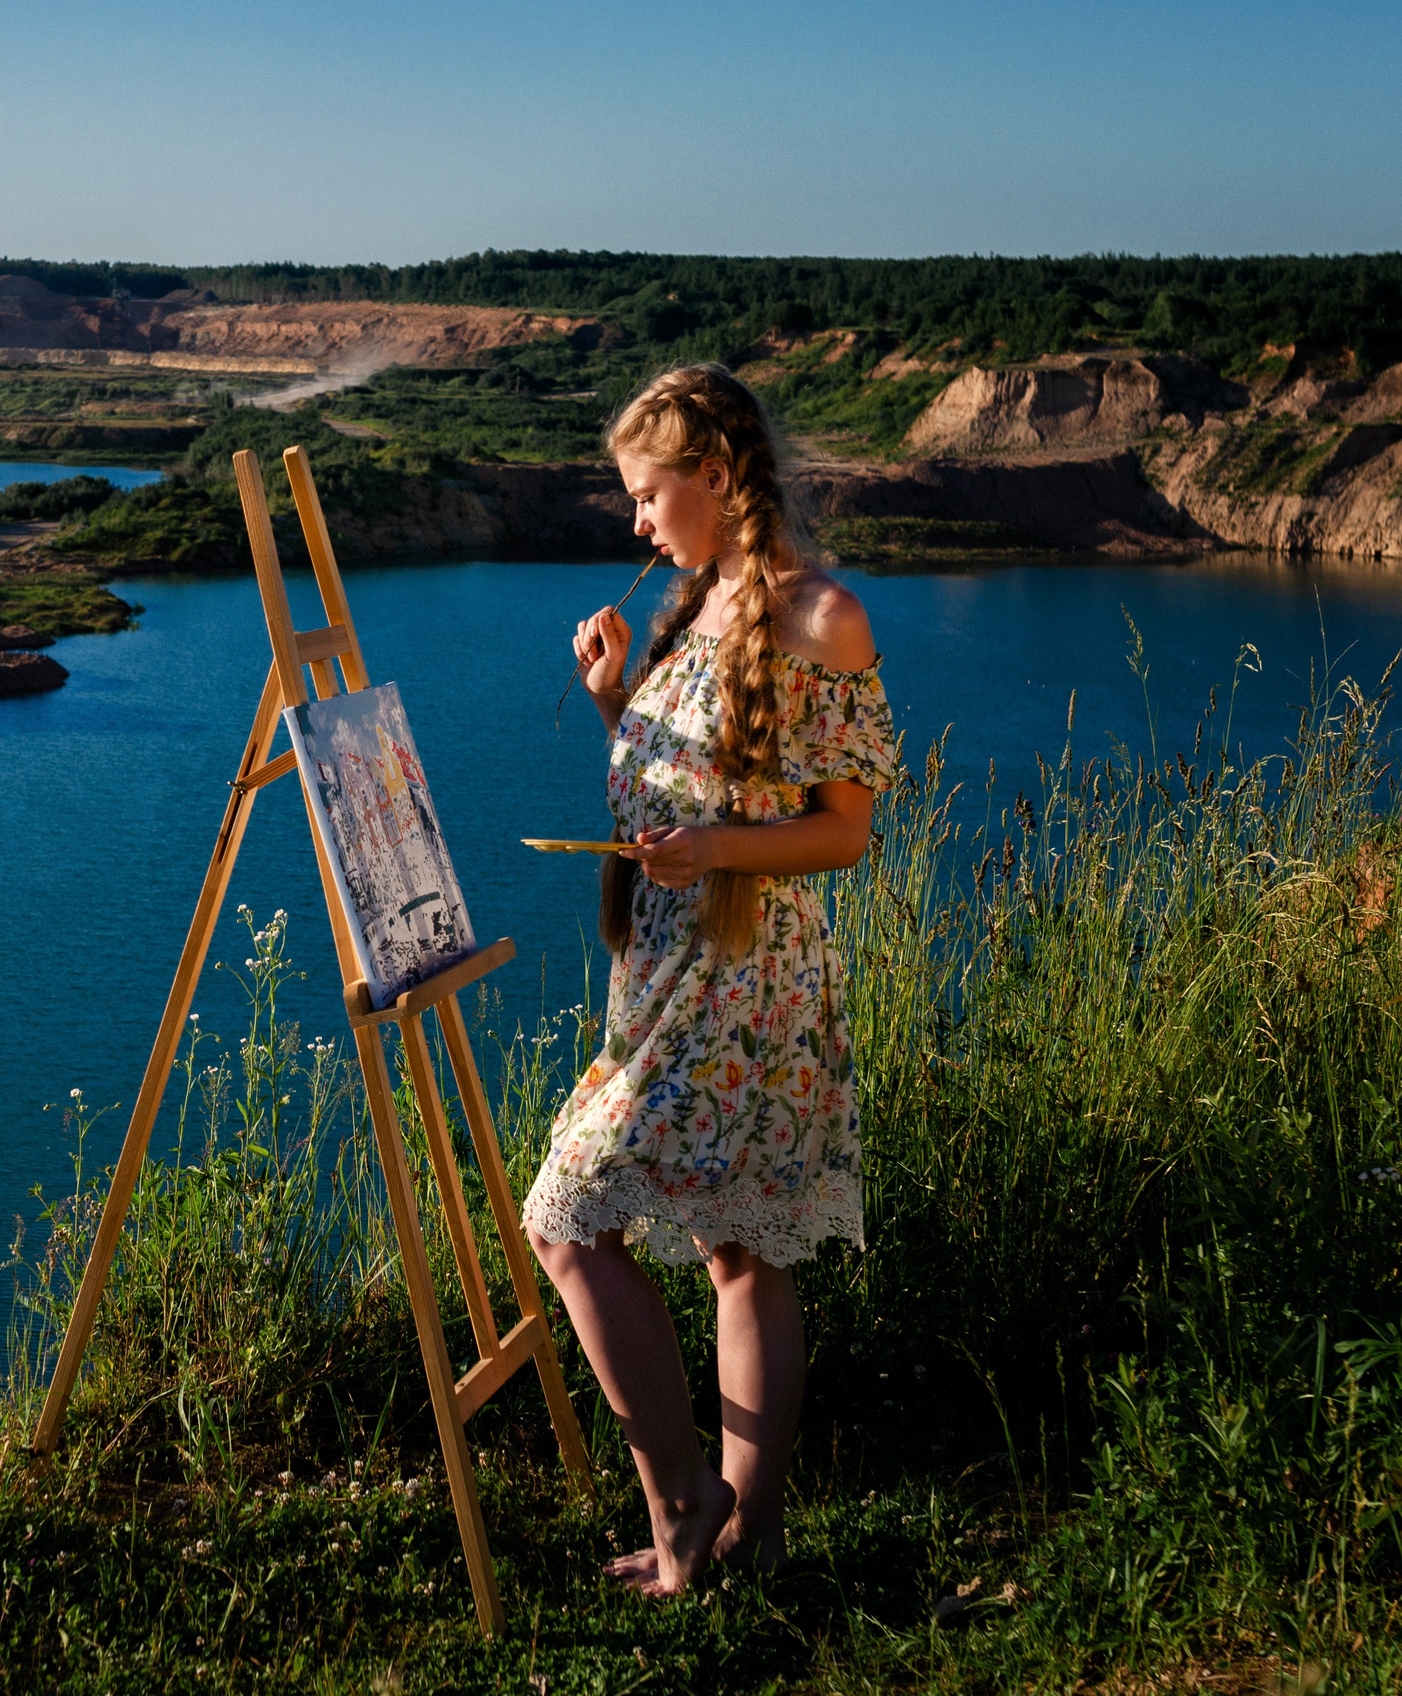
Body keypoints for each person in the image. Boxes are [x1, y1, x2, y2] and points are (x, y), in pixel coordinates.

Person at [521, 363, 900, 1597]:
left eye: (647, 492)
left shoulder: (820, 616)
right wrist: (613, 702)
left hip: (744, 983)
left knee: (566, 1218)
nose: (635, 521)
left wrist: (717, 850)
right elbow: (685, 794)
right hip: (667, 975)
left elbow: (842, 832)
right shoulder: (693, 607)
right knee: (739, 1250)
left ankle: (688, 1504)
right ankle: (754, 1538)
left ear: (717, 476)